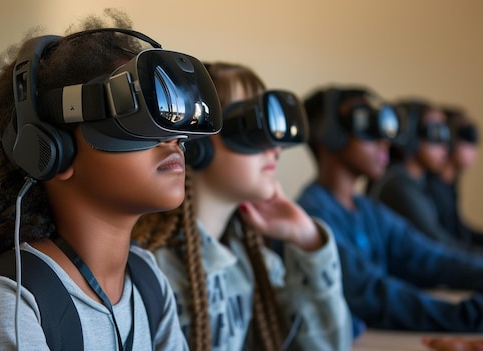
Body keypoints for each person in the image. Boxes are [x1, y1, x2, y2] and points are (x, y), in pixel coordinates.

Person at [0, 10, 223, 350]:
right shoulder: (12, 304)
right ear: (51, 150)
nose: (172, 141)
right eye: (134, 118)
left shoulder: (147, 279)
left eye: (171, 125)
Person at [132, 62, 353, 351]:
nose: (276, 149)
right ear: (198, 141)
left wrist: (309, 241)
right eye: (253, 126)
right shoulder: (152, 269)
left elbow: (329, 346)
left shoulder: (256, 263)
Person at [296, 85, 483, 335]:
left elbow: (432, 257)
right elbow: (370, 293)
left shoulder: (368, 210)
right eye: (367, 126)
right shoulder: (312, 215)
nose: (384, 142)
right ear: (328, 134)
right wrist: (467, 317)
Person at [367, 99, 472, 250]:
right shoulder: (397, 185)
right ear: (411, 134)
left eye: (446, 132)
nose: (445, 144)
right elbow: (440, 246)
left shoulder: (422, 182)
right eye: (436, 132)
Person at [425, 107, 483, 249]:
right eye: (466, 137)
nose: (473, 148)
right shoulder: (427, 185)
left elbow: (460, 230)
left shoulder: (450, 182)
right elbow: (440, 241)